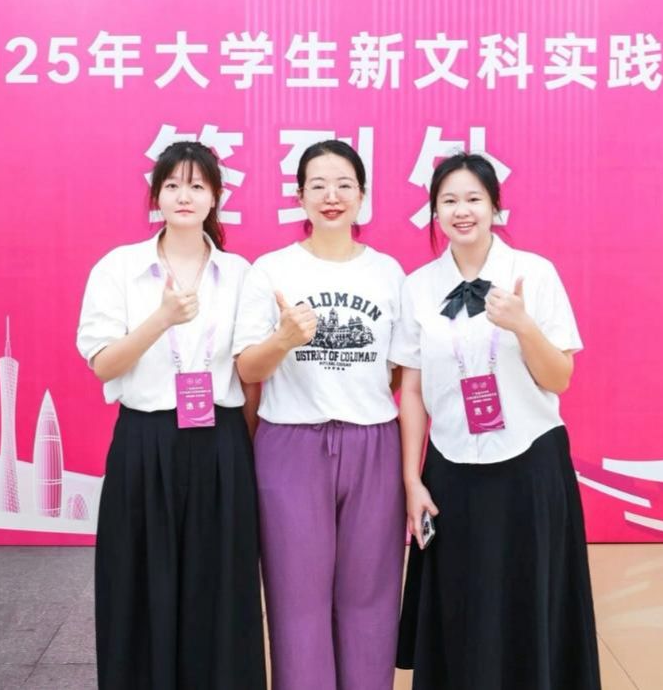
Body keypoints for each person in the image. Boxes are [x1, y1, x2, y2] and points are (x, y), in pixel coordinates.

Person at [394, 152, 601, 689]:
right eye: (449, 201)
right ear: (434, 212)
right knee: (461, 602)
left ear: (495, 207)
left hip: (529, 462)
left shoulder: (534, 274)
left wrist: (523, 325)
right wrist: (413, 479)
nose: (461, 211)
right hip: (451, 467)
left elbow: (559, 378)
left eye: (473, 199)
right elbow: (411, 390)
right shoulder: (417, 287)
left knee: (530, 597)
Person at [76, 141, 266, 690]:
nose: (185, 196)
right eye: (173, 185)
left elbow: (250, 372)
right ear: (155, 196)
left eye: (197, 186)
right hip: (146, 440)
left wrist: (242, 448)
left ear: (216, 198)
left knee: (220, 587)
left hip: (220, 441)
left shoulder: (239, 274)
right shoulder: (119, 268)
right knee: (139, 583)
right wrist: (161, 318)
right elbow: (103, 364)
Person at [233, 139, 406, 690]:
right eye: (318, 185)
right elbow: (247, 367)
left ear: (363, 195)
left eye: (344, 185)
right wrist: (284, 339)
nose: (332, 196)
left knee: (371, 595)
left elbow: (398, 371)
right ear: (300, 196)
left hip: (373, 441)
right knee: (295, 597)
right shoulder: (271, 270)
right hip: (290, 443)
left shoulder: (389, 273)